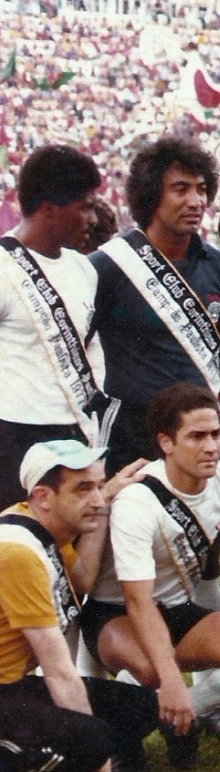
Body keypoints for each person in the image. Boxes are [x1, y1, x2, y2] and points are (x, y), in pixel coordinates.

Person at [80, 384, 220, 770]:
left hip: (175, 611)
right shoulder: (137, 500)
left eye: (215, 435)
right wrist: (173, 679)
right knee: (154, 670)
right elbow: (137, 600)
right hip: (115, 614)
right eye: (196, 437)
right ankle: (142, 719)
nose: (211, 447)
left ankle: (164, 716)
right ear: (166, 443)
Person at [0, 441, 155, 772]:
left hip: (11, 686)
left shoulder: (38, 526)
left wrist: (102, 504)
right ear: (43, 496)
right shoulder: (17, 553)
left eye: (99, 486)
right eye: (83, 490)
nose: (98, 499)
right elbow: (58, 672)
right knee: (91, 738)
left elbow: (82, 578)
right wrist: (101, 771)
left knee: (137, 707)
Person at [90, 136, 220, 476]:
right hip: (129, 435)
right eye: (180, 189)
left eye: (202, 189)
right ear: (151, 196)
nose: (195, 201)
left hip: (196, 437)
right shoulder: (110, 265)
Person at [0, 145, 106, 508]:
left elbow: (90, 350)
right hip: (15, 435)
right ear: (49, 208)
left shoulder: (84, 269)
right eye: (86, 207)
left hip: (74, 433)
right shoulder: (3, 268)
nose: (94, 219)